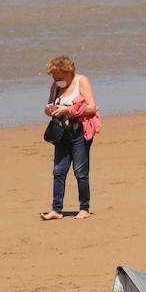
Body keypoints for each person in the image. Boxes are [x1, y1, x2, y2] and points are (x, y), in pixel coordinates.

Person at [41, 55, 99, 221]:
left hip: (79, 131)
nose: (56, 80)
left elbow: (92, 107)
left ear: (68, 72)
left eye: (59, 77)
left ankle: (84, 208)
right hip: (61, 133)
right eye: (54, 77)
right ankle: (56, 209)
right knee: (58, 171)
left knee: (80, 171)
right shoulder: (56, 86)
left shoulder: (82, 81)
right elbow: (49, 105)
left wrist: (67, 110)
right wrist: (50, 109)